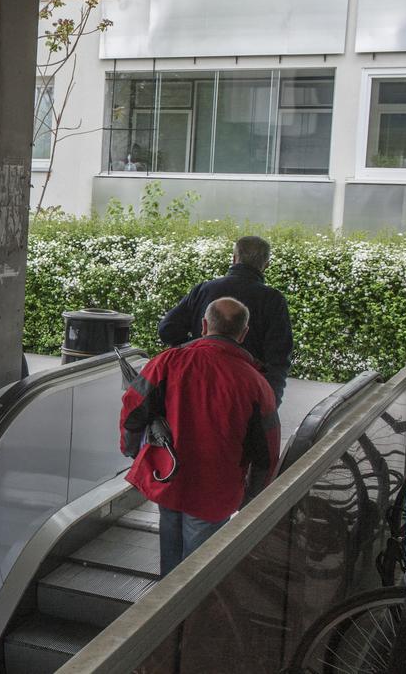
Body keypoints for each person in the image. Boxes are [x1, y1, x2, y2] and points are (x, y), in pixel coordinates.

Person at [120, 297, 279, 576]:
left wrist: (132, 450)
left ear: (205, 326)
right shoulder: (256, 383)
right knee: (197, 571)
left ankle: (162, 611)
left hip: (167, 477)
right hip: (216, 492)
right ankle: (188, 615)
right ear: (243, 333)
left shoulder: (168, 362)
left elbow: (134, 410)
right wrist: (253, 496)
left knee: (170, 554)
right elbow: (267, 450)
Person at [157, 235, 292, 405]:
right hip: (246, 394)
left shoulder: (203, 290)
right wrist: (270, 401)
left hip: (198, 385)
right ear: (266, 265)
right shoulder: (273, 300)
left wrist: (194, 347)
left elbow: (167, 330)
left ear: (234, 259)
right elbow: (278, 357)